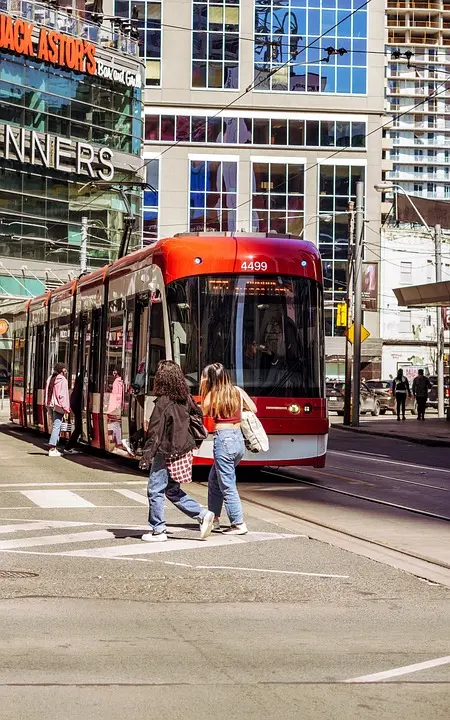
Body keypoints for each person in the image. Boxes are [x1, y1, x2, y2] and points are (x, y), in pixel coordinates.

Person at [141, 360, 215, 543]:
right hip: (182, 450)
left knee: (155, 490)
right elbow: (197, 417)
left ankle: (158, 530)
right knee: (172, 490)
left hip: (165, 451)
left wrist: (145, 457)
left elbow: (155, 433)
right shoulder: (186, 398)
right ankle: (202, 514)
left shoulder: (163, 402)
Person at [200, 362, 257, 535]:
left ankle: (238, 523)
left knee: (227, 484)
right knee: (214, 479)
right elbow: (253, 408)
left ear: (211, 379)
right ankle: (214, 519)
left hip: (223, 440)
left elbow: (204, 410)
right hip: (238, 439)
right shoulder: (237, 391)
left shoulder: (213, 394)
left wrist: (204, 388)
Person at [45, 362, 70, 457]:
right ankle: (52, 448)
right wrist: (66, 408)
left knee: (54, 425)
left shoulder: (50, 378)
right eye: (65, 369)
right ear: (63, 370)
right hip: (58, 406)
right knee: (57, 426)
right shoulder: (63, 380)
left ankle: (54, 448)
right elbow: (62, 396)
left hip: (50, 405)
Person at [65, 372, 83, 454]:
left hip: (75, 404)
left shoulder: (79, 379)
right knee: (79, 427)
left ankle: (71, 446)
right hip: (77, 404)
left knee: (78, 426)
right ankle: (69, 447)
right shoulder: (82, 379)